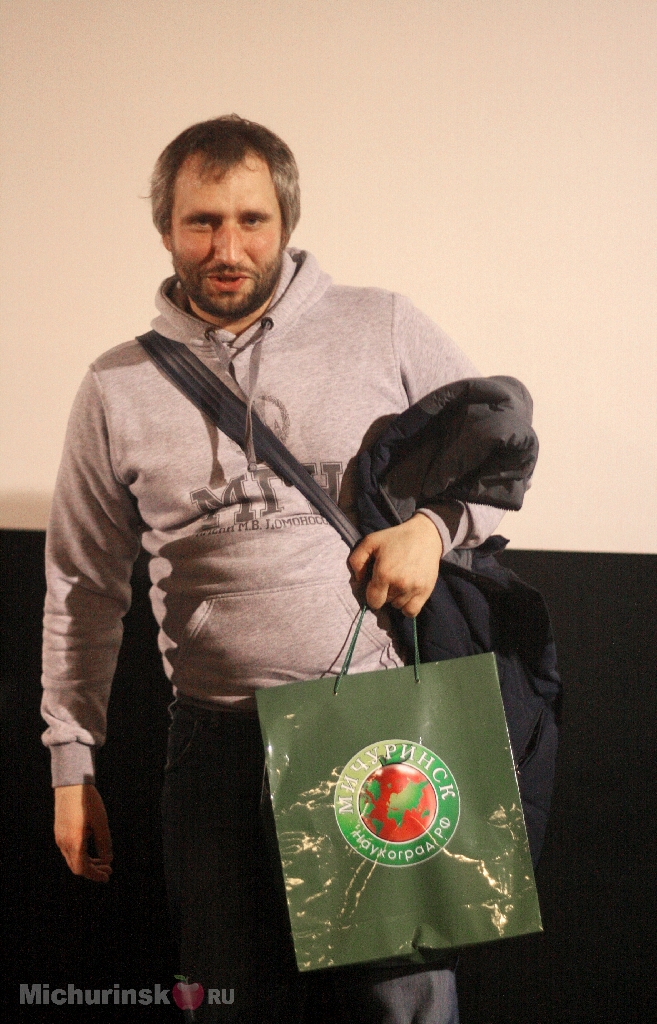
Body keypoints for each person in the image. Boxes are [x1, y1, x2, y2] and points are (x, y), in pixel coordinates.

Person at [42, 115, 504, 1023]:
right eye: (202, 222)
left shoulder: (380, 324)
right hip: (211, 744)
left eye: (251, 220)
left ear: (285, 221)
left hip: (369, 726)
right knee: (224, 997)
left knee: (399, 1005)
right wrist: (71, 761)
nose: (227, 248)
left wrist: (434, 529)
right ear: (166, 228)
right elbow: (82, 586)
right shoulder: (114, 384)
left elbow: (499, 457)